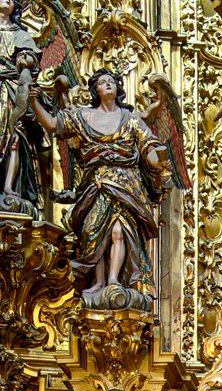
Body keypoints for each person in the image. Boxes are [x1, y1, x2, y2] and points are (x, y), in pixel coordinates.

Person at [27, 68, 170, 299]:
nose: (108, 84)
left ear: (118, 88)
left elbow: (148, 149)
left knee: (118, 232)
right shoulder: (83, 116)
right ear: (96, 90)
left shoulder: (131, 119)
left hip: (125, 184)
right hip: (94, 184)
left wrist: (160, 162)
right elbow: (53, 125)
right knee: (94, 232)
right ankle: (99, 281)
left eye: (112, 81)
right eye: (103, 82)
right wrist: (33, 102)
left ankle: (114, 280)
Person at [0, 0, 42, 213]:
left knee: (14, 140)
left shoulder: (21, 34)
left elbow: (32, 61)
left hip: (14, 92)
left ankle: (9, 187)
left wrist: (26, 60)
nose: (8, 0)